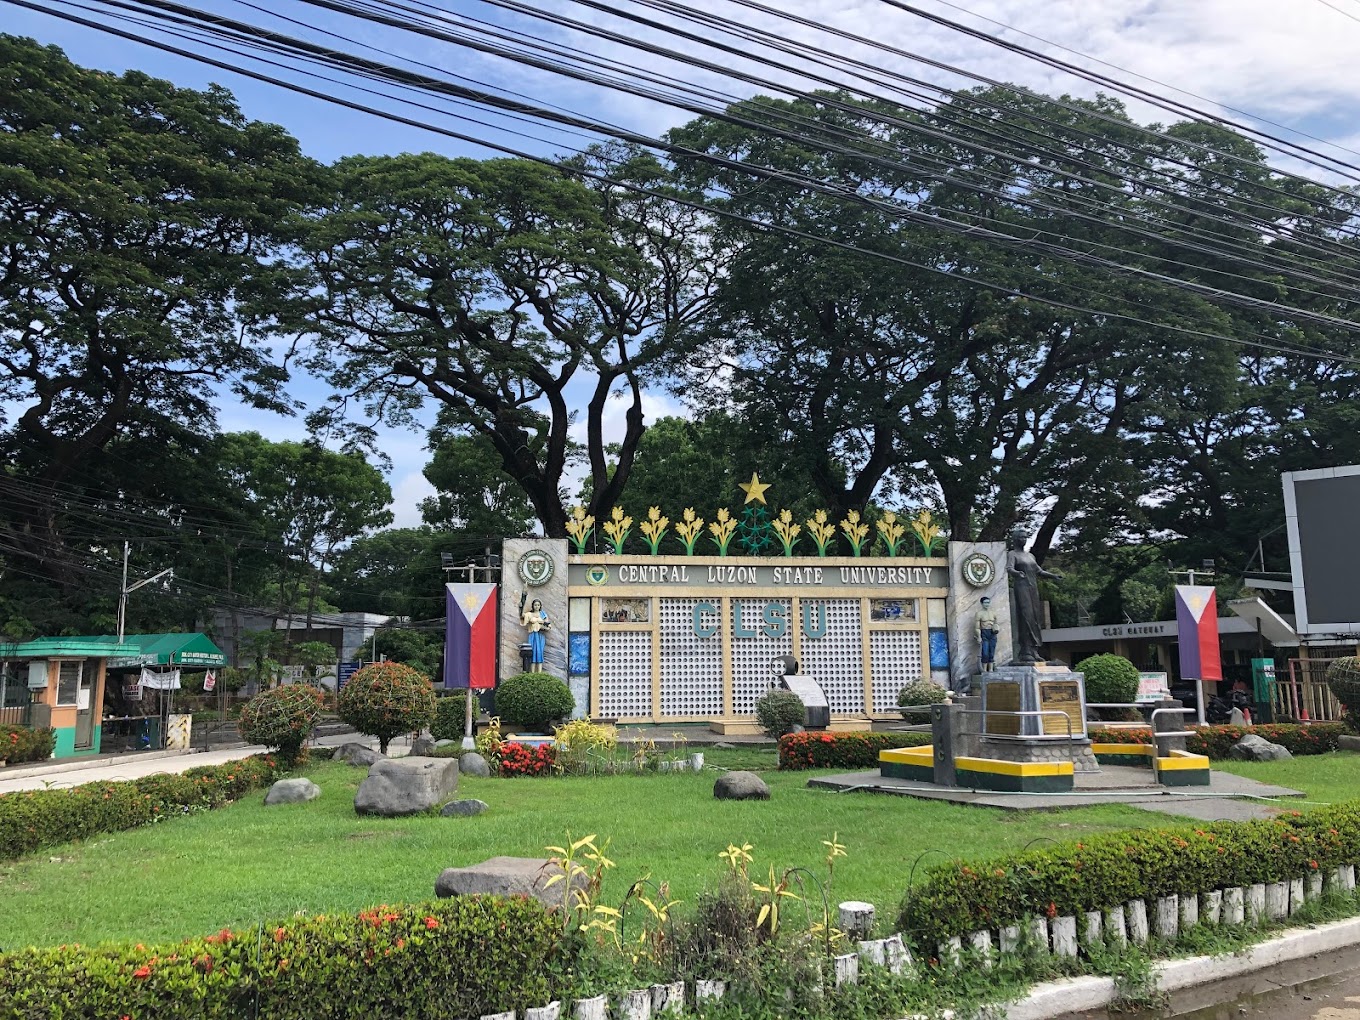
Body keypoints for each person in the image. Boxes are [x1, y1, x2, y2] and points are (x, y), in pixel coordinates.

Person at [1008, 529, 1062, 664]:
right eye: (1021, 537)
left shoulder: (1030, 556)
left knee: (1035, 618)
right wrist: (1016, 573)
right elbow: (1009, 568)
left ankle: (1034, 650)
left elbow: (1039, 571)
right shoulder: (1012, 554)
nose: (1023, 540)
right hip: (1021, 588)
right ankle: (1025, 650)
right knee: (1025, 617)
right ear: (1015, 539)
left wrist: (1053, 576)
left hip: (1033, 588)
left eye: (1025, 537)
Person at [520, 597, 551, 667]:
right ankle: (532, 673)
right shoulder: (529, 614)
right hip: (532, 635)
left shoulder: (543, 614)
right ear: (533, 606)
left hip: (540, 635)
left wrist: (542, 625)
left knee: (539, 653)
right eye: (535, 605)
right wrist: (521, 606)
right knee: (532, 653)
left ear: (540, 606)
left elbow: (548, 625)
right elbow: (522, 615)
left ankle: (539, 672)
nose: (536, 606)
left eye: (538, 605)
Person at [975, 596, 999, 673]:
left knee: (992, 651)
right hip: (984, 632)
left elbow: (996, 623)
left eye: (988, 602)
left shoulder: (993, 613)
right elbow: (977, 627)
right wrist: (979, 637)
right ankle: (984, 669)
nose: (987, 604)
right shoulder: (979, 614)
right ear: (982, 603)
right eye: (985, 602)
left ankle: (991, 669)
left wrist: (996, 628)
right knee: (985, 652)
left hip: (992, 633)